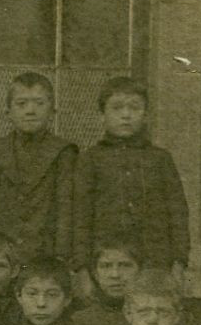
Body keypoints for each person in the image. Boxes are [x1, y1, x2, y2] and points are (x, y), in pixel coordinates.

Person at [71, 76, 190, 288]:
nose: (126, 115)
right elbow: (80, 215)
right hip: (106, 262)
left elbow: (178, 213)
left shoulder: (160, 159)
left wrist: (179, 262)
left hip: (154, 259)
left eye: (134, 108)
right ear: (102, 115)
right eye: (117, 108)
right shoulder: (90, 159)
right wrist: (81, 267)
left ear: (146, 115)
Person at [0, 71, 76, 263]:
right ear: (8, 113)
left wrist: (62, 255)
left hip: (46, 252)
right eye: (21, 104)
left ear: (52, 112)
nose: (30, 111)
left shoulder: (63, 152)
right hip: (2, 254)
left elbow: (66, 207)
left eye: (39, 103)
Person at [71, 236, 142, 325]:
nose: (115, 275)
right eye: (106, 266)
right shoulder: (79, 322)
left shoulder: (154, 316)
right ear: (95, 274)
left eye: (125, 265)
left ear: (140, 270)